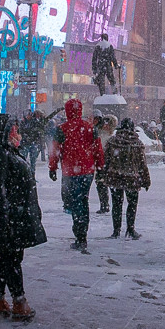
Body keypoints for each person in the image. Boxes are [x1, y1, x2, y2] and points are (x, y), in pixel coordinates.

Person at [0, 115, 46, 320]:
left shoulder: (7, 153)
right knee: (12, 258)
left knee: (6, 258)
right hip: (10, 218)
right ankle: (19, 301)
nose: (18, 134)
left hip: (16, 216)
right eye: (14, 130)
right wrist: (4, 218)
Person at [49, 99, 104, 254]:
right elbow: (97, 148)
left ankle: (79, 233)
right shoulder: (89, 128)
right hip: (87, 171)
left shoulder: (62, 129)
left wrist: (53, 167)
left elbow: (55, 150)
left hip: (70, 171)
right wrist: (100, 166)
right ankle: (82, 233)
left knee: (74, 202)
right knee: (83, 200)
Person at [101, 117, 151, 239]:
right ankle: (131, 229)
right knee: (132, 205)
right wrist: (146, 180)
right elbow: (142, 164)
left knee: (116, 204)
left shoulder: (112, 141)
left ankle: (116, 230)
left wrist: (103, 174)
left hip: (115, 177)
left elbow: (105, 160)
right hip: (132, 179)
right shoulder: (137, 144)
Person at [93, 115, 115, 214]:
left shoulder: (112, 137)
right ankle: (104, 204)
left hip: (109, 163)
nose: (106, 126)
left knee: (110, 185)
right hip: (101, 163)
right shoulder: (99, 134)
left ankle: (109, 205)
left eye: (108, 124)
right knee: (100, 184)